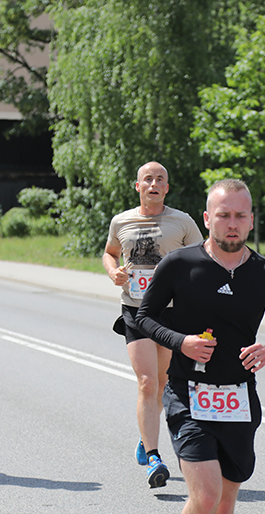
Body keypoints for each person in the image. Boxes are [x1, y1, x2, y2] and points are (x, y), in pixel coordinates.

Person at [135, 179, 265, 514]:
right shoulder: (179, 264)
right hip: (188, 394)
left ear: (251, 221)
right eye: (223, 215)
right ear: (207, 219)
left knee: (226, 504)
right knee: (205, 496)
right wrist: (181, 342)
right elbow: (144, 319)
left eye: (240, 215)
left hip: (239, 399)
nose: (232, 223)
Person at [103, 161, 203, 488]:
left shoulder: (182, 222)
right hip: (135, 309)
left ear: (167, 188)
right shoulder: (122, 221)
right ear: (137, 186)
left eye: (160, 179)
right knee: (147, 383)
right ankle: (155, 457)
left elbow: (202, 259)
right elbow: (109, 253)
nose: (153, 184)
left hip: (172, 314)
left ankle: (144, 438)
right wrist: (113, 271)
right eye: (147, 179)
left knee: (162, 383)